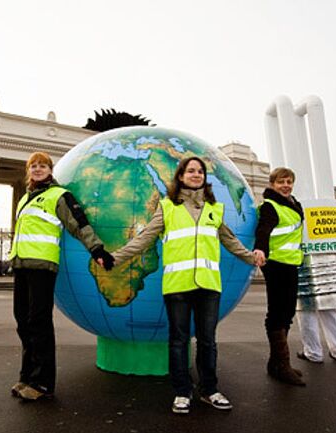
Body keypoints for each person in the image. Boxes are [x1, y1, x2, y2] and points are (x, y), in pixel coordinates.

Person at [110, 156, 264, 414]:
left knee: (207, 341)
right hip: (177, 286)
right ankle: (182, 392)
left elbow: (230, 241)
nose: (196, 174)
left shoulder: (215, 209)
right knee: (179, 340)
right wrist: (115, 258)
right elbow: (145, 238)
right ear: (180, 176)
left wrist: (252, 257)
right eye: (190, 171)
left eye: (200, 171)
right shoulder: (168, 207)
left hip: (208, 285)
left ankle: (209, 390)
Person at [9, 151, 114, 401]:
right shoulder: (25, 199)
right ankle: (27, 377)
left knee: (39, 323)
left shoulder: (59, 195)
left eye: (42, 165)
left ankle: (42, 383)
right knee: (22, 321)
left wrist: (97, 249)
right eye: (33, 165)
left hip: (43, 267)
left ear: (50, 169)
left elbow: (79, 224)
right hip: (21, 266)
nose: (37, 169)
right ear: (28, 171)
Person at [254, 167, 306, 386]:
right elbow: (264, 230)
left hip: (291, 263)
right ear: (272, 184)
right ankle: (281, 364)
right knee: (277, 313)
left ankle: (276, 363)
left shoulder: (293, 204)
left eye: (289, 181)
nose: (286, 185)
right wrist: (260, 250)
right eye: (281, 182)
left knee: (288, 312)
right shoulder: (270, 206)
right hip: (275, 263)